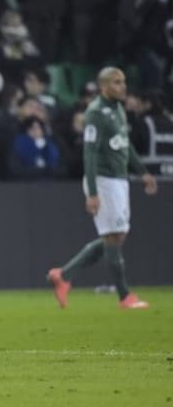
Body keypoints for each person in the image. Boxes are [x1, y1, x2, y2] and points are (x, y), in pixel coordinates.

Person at [47, 67, 158, 309]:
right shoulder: (96, 113)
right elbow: (90, 152)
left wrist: (143, 172)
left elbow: (124, 144)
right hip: (104, 180)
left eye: (124, 81)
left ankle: (64, 275)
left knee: (116, 236)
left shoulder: (118, 109)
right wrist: (94, 192)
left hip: (119, 179)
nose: (123, 86)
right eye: (117, 82)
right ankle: (124, 296)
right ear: (104, 87)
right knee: (112, 236)